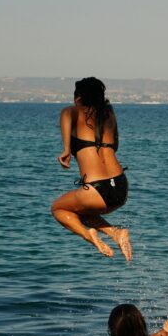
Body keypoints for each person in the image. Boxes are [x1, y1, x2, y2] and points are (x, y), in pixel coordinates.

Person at [51, 77, 133, 261]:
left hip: (96, 188)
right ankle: (116, 233)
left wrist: (66, 149)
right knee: (83, 211)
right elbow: (115, 146)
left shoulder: (71, 112)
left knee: (59, 209)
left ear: (78, 97)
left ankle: (91, 236)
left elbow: (66, 118)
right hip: (120, 187)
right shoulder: (109, 115)